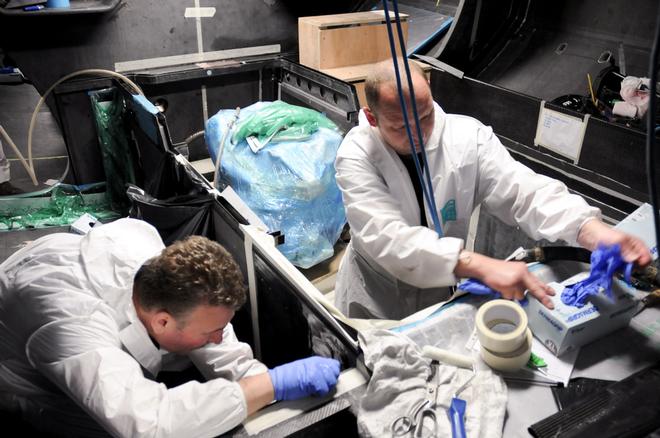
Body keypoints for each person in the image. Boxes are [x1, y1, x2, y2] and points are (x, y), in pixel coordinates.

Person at [334, 59, 652, 319]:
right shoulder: (356, 154)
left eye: (426, 115)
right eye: (401, 126)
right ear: (373, 119)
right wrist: (481, 267)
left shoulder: (467, 137)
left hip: (438, 286)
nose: (420, 133)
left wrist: (589, 229)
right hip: (377, 294)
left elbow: (523, 191)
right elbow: (388, 238)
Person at [0, 218, 340, 437]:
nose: (217, 339)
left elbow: (216, 338)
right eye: (209, 334)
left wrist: (260, 382)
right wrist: (273, 384)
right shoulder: (70, 327)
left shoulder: (148, 254)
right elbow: (148, 424)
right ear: (161, 320)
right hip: (31, 373)